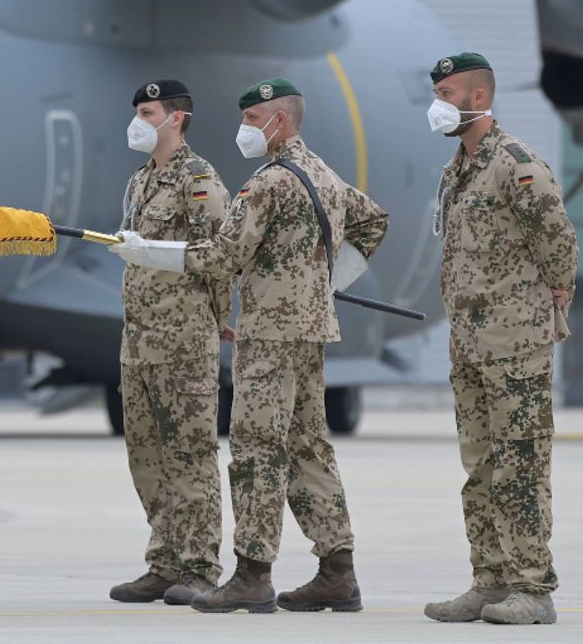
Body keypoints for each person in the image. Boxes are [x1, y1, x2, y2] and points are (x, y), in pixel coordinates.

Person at [110, 78, 389, 614]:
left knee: (257, 450)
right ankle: (338, 571)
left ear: (279, 122)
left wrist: (151, 254)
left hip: (270, 334)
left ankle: (253, 576)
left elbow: (219, 256)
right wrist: (323, 283)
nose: (245, 130)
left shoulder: (265, 183)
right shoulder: (322, 173)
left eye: (252, 120)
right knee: (309, 446)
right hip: (310, 329)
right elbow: (373, 219)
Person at [421, 52, 578, 626]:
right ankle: (489, 581)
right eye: (436, 93)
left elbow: (557, 238)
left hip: (515, 342)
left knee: (521, 465)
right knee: (480, 466)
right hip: (469, 344)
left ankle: (533, 588)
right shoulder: (456, 170)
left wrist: (556, 295)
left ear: (479, 99)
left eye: (447, 93)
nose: (437, 104)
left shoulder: (516, 164)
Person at [108, 79, 233, 606]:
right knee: (146, 454)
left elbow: (220, 253)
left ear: (175, 118)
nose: (138, 119)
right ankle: (165, 561)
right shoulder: (140, 181)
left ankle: (200, 566)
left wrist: (221, 316)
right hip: (138, 339)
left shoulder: (198, 180)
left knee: (191, 454)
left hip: (183, 338)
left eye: (147, 110)